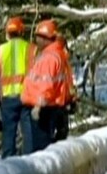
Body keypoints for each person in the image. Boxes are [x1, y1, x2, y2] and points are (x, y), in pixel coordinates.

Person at [0, 16, 37, 158]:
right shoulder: (31, 49)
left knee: (8, 134)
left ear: (7, 33)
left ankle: (8, 166)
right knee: (29, 133)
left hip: (8, 99)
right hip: (27, 98)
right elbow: (39, 74)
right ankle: (30, 165)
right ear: (22, 32)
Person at [21, 19, 72, 151]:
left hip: (43, 109)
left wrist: (38, 105)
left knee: (39, 148)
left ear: (45, 38)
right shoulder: (56, 54)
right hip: (49, 107)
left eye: (38, 37)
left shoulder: (49, 57)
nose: (36, 40)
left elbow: (46, 84)